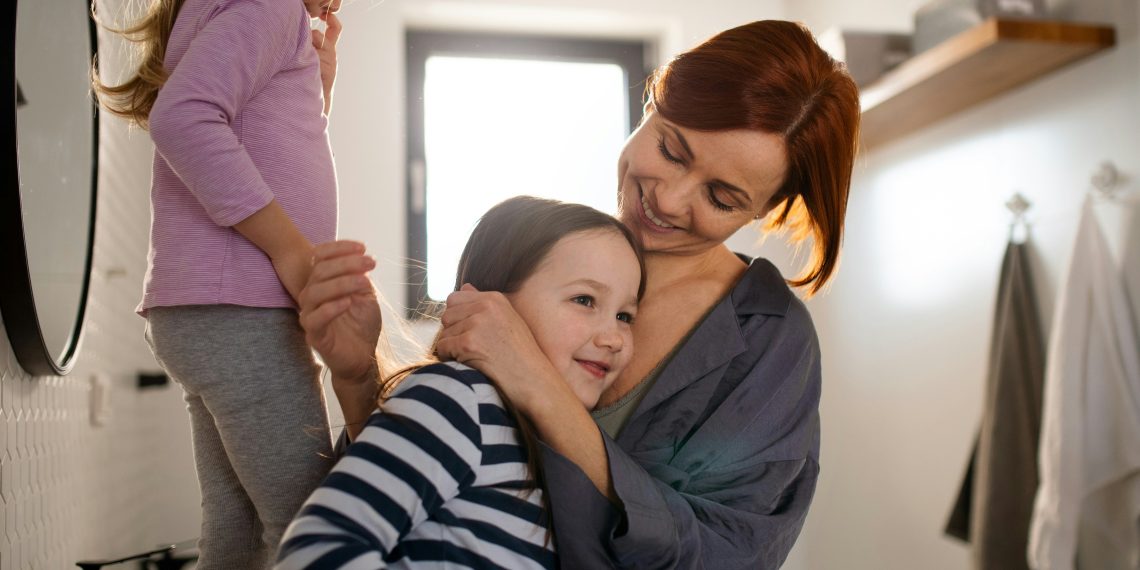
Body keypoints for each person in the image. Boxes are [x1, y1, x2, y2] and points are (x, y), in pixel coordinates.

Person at [302, 19, 858, 568]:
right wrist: (358, 382)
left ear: (766, 209)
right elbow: (427, 480)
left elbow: (724, 555)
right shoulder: (554, 250)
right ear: (651, 105)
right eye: (670, 149)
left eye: (720, 196)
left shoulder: (769, 341)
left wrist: (540, 387)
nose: (668, 199)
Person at [92, 0, 343, 567]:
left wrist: (320, 86)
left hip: (212, 308)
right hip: (241, 307)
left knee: (238, 527)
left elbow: (271, 144)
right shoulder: (270, 8)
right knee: (309, 524)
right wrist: (289, 250)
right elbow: (182, 118)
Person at [275, 196, 646, 569]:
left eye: (625, 316)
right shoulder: (461, 397)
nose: (613, 337)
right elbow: (315, 552)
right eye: (584, 299)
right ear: (488, 305)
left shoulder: (551, 452)